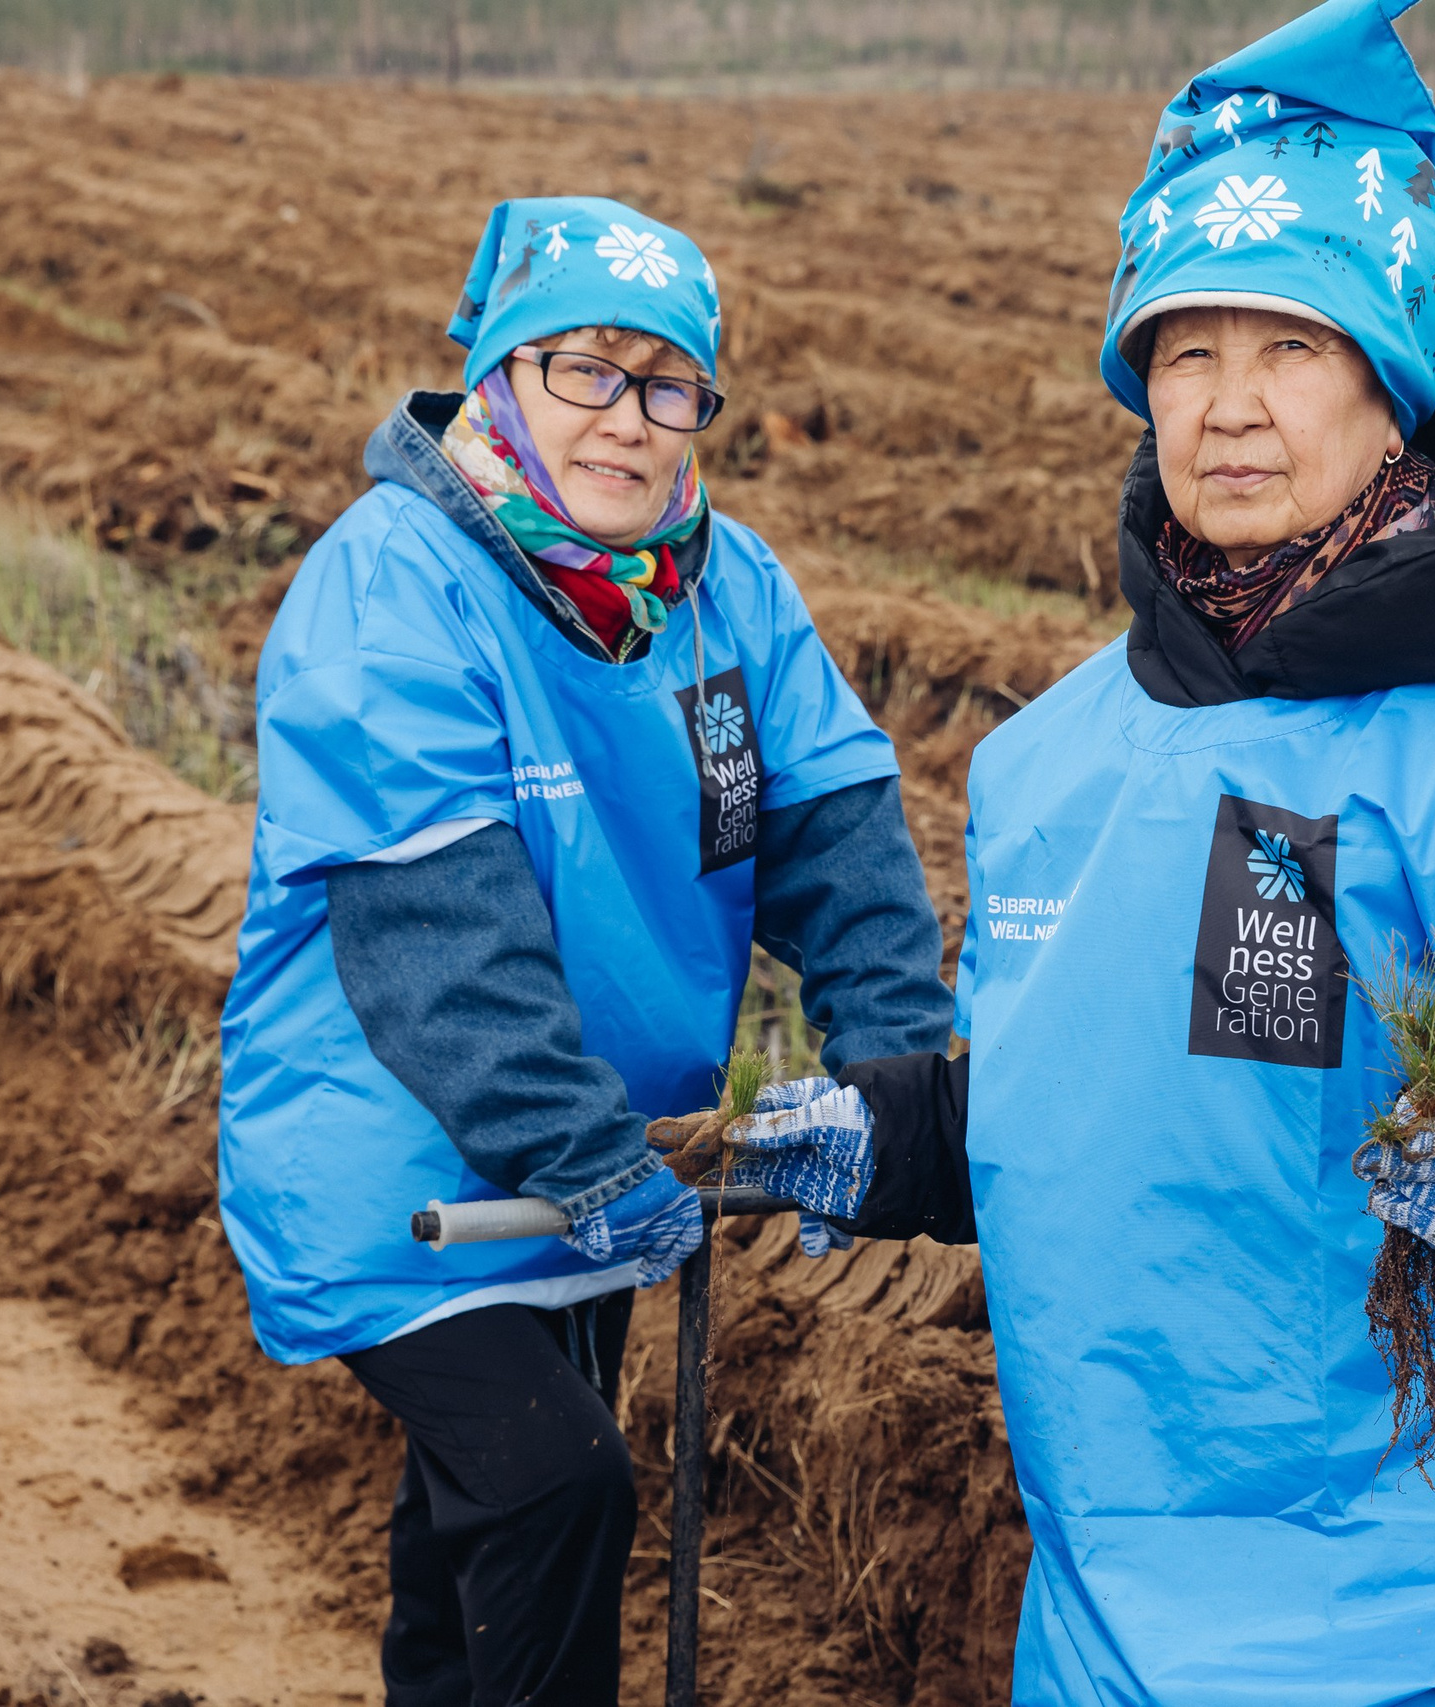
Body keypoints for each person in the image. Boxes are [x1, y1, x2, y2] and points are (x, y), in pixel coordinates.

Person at [728, 3, 1435, 1701]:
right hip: (1146, 1602)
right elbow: (1085, 1099)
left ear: (1393, 383)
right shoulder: (1062, 760)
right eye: (1184, 350)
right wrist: (897, 1134)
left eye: (1290, 348)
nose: (1230, 409)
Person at [213, 195, 954, 1707]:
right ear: (499, 378)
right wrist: (577, 1151)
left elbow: (840, 844)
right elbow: (439, 933)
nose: (630, 422)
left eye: (668, 384)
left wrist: (891, 1100)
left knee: (474, 1531)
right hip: (397, 1151)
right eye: (584, 372)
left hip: (614, 1147)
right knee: (556, 1487)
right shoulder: (394, 585)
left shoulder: (724, 591)